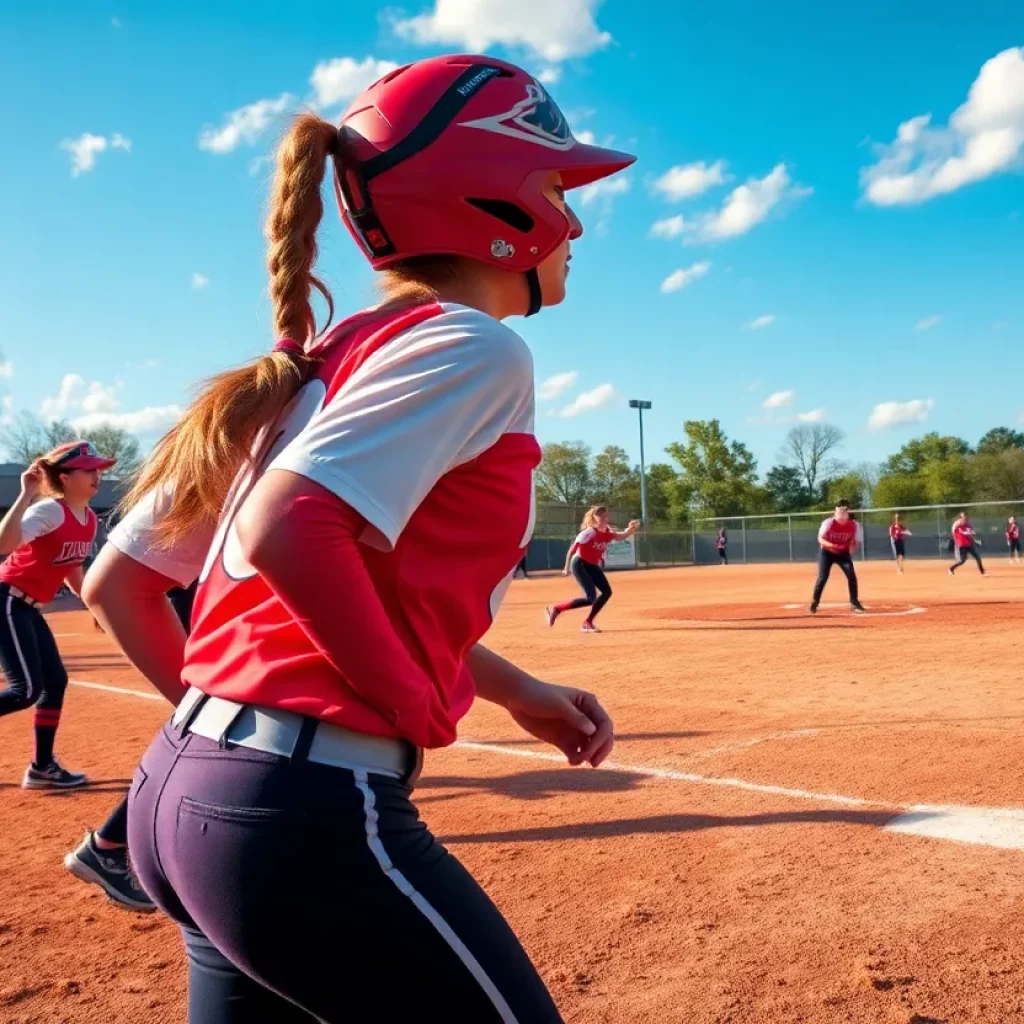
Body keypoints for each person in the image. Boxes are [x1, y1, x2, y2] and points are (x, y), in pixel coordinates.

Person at [82, 54, 629, 1022]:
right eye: (555, 185)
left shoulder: (307, 366)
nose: (575, 221)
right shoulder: (475, 345)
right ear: (494, 199)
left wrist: (515, 688)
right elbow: (289, 523)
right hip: (298, 818)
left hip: (184, 790)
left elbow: (119, 581)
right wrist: (406, 701)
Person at [65, 576, 199, 912]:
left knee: (203, 723)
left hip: (207, 592)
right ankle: (108, 844)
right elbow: (108, 582)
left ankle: (110, 844)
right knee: (203, 723)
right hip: (202, 593)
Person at [0, 441, 116, 788]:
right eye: (89, 470)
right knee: (25, 690)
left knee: (55, 683)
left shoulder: (89, 519)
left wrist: (97, 605)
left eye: (98, 469)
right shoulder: (49, 511)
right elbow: (4, 546)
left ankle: (41, 768)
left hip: (28, 607)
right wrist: (26, 495)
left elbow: (72, 568)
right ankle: (42, 767)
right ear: (64, 477)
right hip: (6, 599)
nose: (97, 475)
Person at [546, 506, 640, 633]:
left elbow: (622, 536)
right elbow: (573, 549)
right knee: (590, 598)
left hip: (592, 565)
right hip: (580, 564)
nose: (604, 518)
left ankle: (588, 622)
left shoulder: (608, 532)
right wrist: (566, 567)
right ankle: (557, 609)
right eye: (600, 516)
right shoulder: (589, 532)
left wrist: (631, 528)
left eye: (605, 516)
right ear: (594, 518)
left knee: (607, 592)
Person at [809, 498, 865, 614]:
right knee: (823, 577)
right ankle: (815, 602)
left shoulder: (855, 525)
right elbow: (820, 539)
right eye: (840, 510)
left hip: (842, 553)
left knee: (851, 576)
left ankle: (854, 602)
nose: (842, 513)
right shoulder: (828, 522)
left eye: (845, 510)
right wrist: (833, 545)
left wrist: (851, 546)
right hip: (827, 552)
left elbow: (854, 546)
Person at [948, 511, 985, 576]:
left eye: (966, 518)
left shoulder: (968, 525)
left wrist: (973, 537)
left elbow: (970, 533)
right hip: (961, 545)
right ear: (960, 518)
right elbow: (955, 533)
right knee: (961, 561)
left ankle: (982, 572)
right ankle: (951, 569)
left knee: (978, 557)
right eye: (963, 518)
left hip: (968, 544)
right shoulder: (956, 525)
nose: (965, 519)